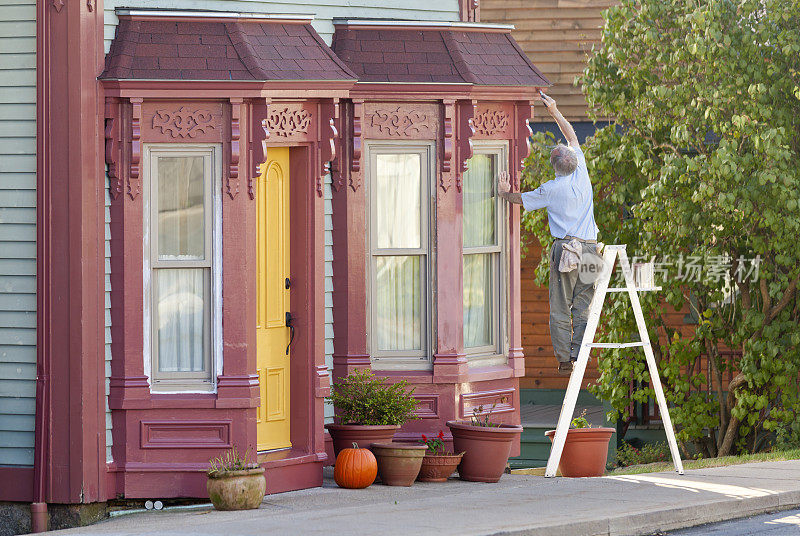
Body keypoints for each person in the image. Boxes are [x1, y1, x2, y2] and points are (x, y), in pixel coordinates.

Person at [497, 92, 600, 376]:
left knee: (559, 307)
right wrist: (554, 110)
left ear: (554, 166)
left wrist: (505, 193)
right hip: (591, 251)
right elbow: (572, 136)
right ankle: (581, 352)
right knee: (584, 303)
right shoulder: (583, 174)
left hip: (567, 251)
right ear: (573, 162)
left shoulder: (550, 189)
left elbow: (520, 199)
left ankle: (566, 360)